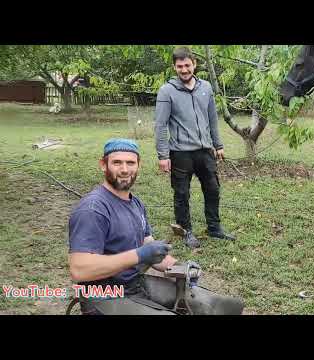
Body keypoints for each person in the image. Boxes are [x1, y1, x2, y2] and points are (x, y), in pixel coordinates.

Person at [68, 138, 243, 315]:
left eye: (130, 163)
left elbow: (149, 248)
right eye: (117, 163)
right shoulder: (93, 210)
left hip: (135, 284)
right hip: (103, 296)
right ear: (103, 165)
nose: (124, 169)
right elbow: (80, 270)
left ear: (139, 165)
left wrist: (180, 266)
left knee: (220, 305)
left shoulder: (135, 204)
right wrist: (139, 255)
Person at [154, 46, 236, 249]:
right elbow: (160, 125)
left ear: (194, 64)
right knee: (181, 193)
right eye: (180, 66)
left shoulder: (206, 87)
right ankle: (186, 231)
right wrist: (163, 155)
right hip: (180, 153)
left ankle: (214, 228)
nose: (184, 70)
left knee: (213, 189)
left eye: (187, 65)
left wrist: (218, 145)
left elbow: (212, 119)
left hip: (205, 151)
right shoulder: (167, 91)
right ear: (174, 67)